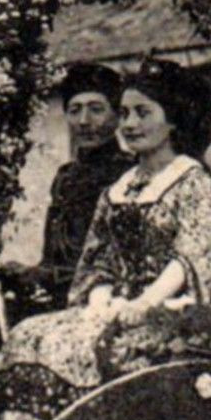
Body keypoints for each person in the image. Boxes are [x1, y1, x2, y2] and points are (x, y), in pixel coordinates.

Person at [0, 58, 211, 402]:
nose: (130, 124)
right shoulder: (120, 186)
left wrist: (145, 303)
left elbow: (190, 257)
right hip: (112, 306)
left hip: (167, 310)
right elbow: (99, 255)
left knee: (83, 349)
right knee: (27, 334)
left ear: (173, 119)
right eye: (126, 113)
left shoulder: (193, 181)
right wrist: (101, 300)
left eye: (143, 113)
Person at [25, 63, 136, 304]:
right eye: (75, 110)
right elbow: (51, 256)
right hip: (58, 297)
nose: (84, 121)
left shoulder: (130, 172)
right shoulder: (65, 176)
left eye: (96, 109)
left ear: (118, 116)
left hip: (110, 297)